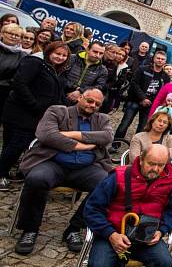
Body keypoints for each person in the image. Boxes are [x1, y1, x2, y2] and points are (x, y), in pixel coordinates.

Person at [12, 89, 113, 255]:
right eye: (89, 100)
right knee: (37, 179)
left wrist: (72, 134)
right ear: (80, 97)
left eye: (97, 104)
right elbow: (46, 135)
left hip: (86, 168)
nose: (92, 105)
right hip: (52, 163)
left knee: (107, 184)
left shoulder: (102, 119)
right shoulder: (58, 111)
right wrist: (80, 145)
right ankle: (30, 230)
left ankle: (74, 228)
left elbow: (107, 137)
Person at [0, 41, 70, 191]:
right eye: (57, 54)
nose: (60, 57)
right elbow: (20, 83)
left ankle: (4, 170)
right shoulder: (35, 63)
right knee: (16, 144)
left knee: (14, 145)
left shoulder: (55, 70)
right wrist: (34, 104)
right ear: (49, 52)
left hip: (34, 116)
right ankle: (1, 173)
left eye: (64, 55)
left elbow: (57, 94)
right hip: (21, 114)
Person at [114, 50, 169, 140]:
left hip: (150, 105)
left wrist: (151, 101)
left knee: (143, 128)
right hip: (135, 100)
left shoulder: (165, 77)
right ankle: (115, 143)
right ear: (153, 59)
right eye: (158, 58)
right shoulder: (142, 69)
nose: (160, 60)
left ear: (165, 62)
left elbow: (163, 92)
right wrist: (143, 98)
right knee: (125, 123)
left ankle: (135, 147)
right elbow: (134, 83)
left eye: (162, 59)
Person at [0, 23, 24, 116]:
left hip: (3, 94)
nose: (13, 36)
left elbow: (18, 77)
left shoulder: (22, 56)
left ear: (20, 39)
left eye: (17, 35)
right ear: (2, 34)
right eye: (10, 33)